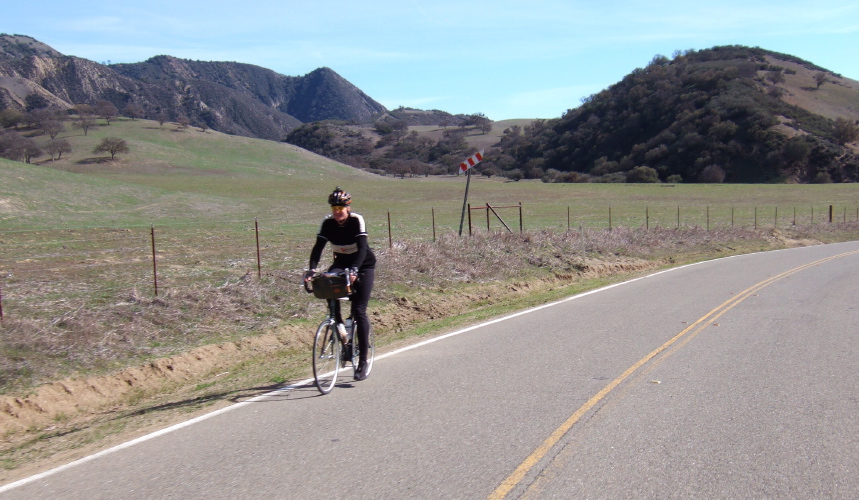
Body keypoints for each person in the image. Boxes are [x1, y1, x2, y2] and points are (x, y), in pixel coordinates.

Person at [305, 187, 377, 381]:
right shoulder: (327, 223)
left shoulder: (356, 220)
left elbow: (362, 249)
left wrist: (354, 270)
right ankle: (340, 328)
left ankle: (363, 361)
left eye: (341, 208)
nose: (337, 211)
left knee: (359, 311)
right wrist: (311, 270)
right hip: (341, 263)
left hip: (363, 265)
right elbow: (318, 248)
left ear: (348, 208)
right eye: (334, 208)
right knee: (326, 285)